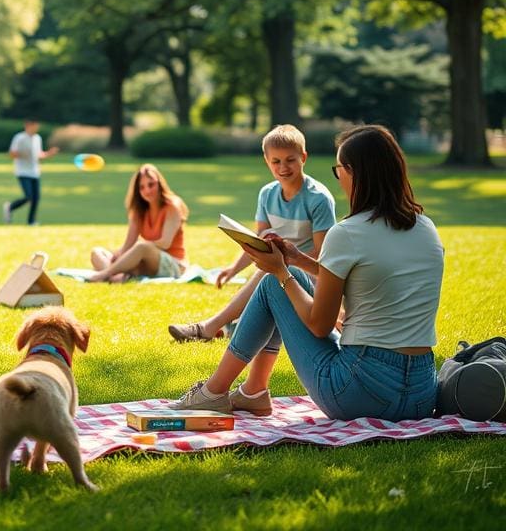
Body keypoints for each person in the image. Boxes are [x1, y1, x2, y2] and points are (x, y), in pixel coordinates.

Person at [169, 125, 444, 421]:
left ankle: (214, 392)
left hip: (359, 393)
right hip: (419, 394)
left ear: (354, 173)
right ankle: (252, 393)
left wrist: (281, 271)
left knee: (274, 284)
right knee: (283, 281)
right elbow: (370, 279)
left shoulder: (349, 232)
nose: (338, 179)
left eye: (339, 170)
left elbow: (320, 326)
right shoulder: (426, 229)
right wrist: (298, 259)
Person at [167, 124, 335, 342]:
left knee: (269, 271)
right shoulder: (267, 194)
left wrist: (285, 263)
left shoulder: (319, 198)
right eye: (276, 161)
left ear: (303, 157)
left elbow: (322, 252)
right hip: (279, 270)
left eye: (290, 160)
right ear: (267, 161)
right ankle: (227, 329)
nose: (283, 167)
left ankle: (207, 328)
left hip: (310, 276)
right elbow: (259, 243)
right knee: (268, 274)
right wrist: (233, 270)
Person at [86, 164, 189, 283]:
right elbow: (129, 244)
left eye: (151, 185)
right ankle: (116, 277)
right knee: (97, 252)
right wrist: (120, 256)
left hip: (174, 264)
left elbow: (165, 243)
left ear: (159, 184)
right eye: (142, 187)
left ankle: (106, 274)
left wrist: (135, 251)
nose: (147, 190)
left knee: (141, 247)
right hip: (144, 261)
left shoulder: (173, 206)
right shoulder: (138, 210)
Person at [2, 118, 59, 226]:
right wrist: (22, 154)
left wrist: (48, 154)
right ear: (28, 125)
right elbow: (11, 154)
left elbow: (38, 155)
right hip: (22, 171)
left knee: (36, 198)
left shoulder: (37, 138)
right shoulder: (19, 138)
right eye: (34, 124)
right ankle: (10, 207)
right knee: (28, 196)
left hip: (35, 171)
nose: (36, 127)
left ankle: (31, 221)